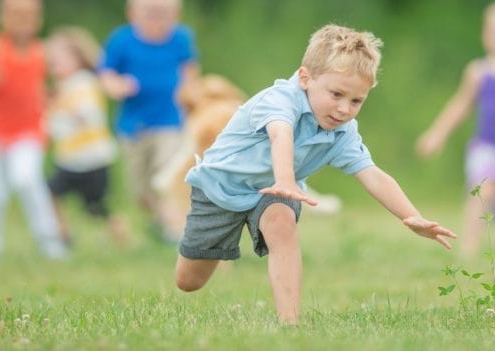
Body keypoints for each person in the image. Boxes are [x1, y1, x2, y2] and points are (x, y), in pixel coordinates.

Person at [174, 24, 457, 325]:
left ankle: (290, 323)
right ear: (305, 78)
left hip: (275, 191)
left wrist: (411, 216)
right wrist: (285, 180)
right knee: (189, 282)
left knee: (282, 219)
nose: (344, 109)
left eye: (356, 101)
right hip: (220, 189)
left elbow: (372, 174)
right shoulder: (280, 99)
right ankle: (218, 243)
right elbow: (280, 135)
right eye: (336, 94)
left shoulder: (342, 131)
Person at [415, 1, 495, 258]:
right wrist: (436, 134)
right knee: (485, 189)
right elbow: (460, 106)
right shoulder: (478, 72)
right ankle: (469, 248)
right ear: (485, 36)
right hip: (487, 148)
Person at [0, 0, 66, 259]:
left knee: (27, 179)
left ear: (38, 19)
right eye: (15, 15)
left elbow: (51, 86)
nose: (22, 22)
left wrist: (51, 98)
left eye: (28, 16)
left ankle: (50, 241)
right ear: (2, 18)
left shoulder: (42, 51)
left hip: (28, 131)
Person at [98, 0, 199, 242]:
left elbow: (189, 71)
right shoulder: (122, 41)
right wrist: (117, 86)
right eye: (151, 13)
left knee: (167, 175)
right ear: (132, 14)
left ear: (176, 14)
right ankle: (160, 221)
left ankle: (177, 231)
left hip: (170, 121)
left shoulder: (180, 38)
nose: (157, 20)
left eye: (164, 13)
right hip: (134, 125)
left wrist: (191, 96)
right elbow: (106, 74)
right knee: (141, 189)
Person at [44, 26, 128, 247]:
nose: (54, 65)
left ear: (78, 58)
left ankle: (120, 234)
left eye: (59, 59)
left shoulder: (85, 83)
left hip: (92, 158)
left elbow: (88, 115)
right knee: (49, 192)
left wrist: (60, 106)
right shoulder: (63, 86)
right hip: (70, 159)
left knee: (95, 206)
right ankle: (63, 234)